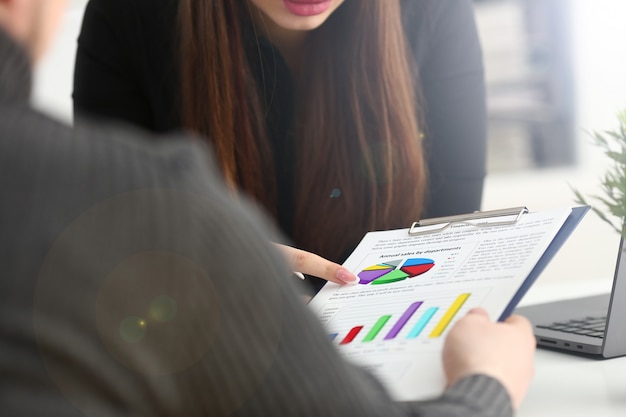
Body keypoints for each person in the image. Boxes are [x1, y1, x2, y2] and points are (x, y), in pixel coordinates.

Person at [0, 0, 537, 415]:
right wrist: (489, 383)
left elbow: (454, 249)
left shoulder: (432, 14)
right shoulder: (132, 19)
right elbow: (112, 280)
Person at [72, 0, 488, 292]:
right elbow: (112, 235)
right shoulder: (128, 15)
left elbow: (453, 236)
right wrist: (206, 257)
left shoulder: (436, 10)